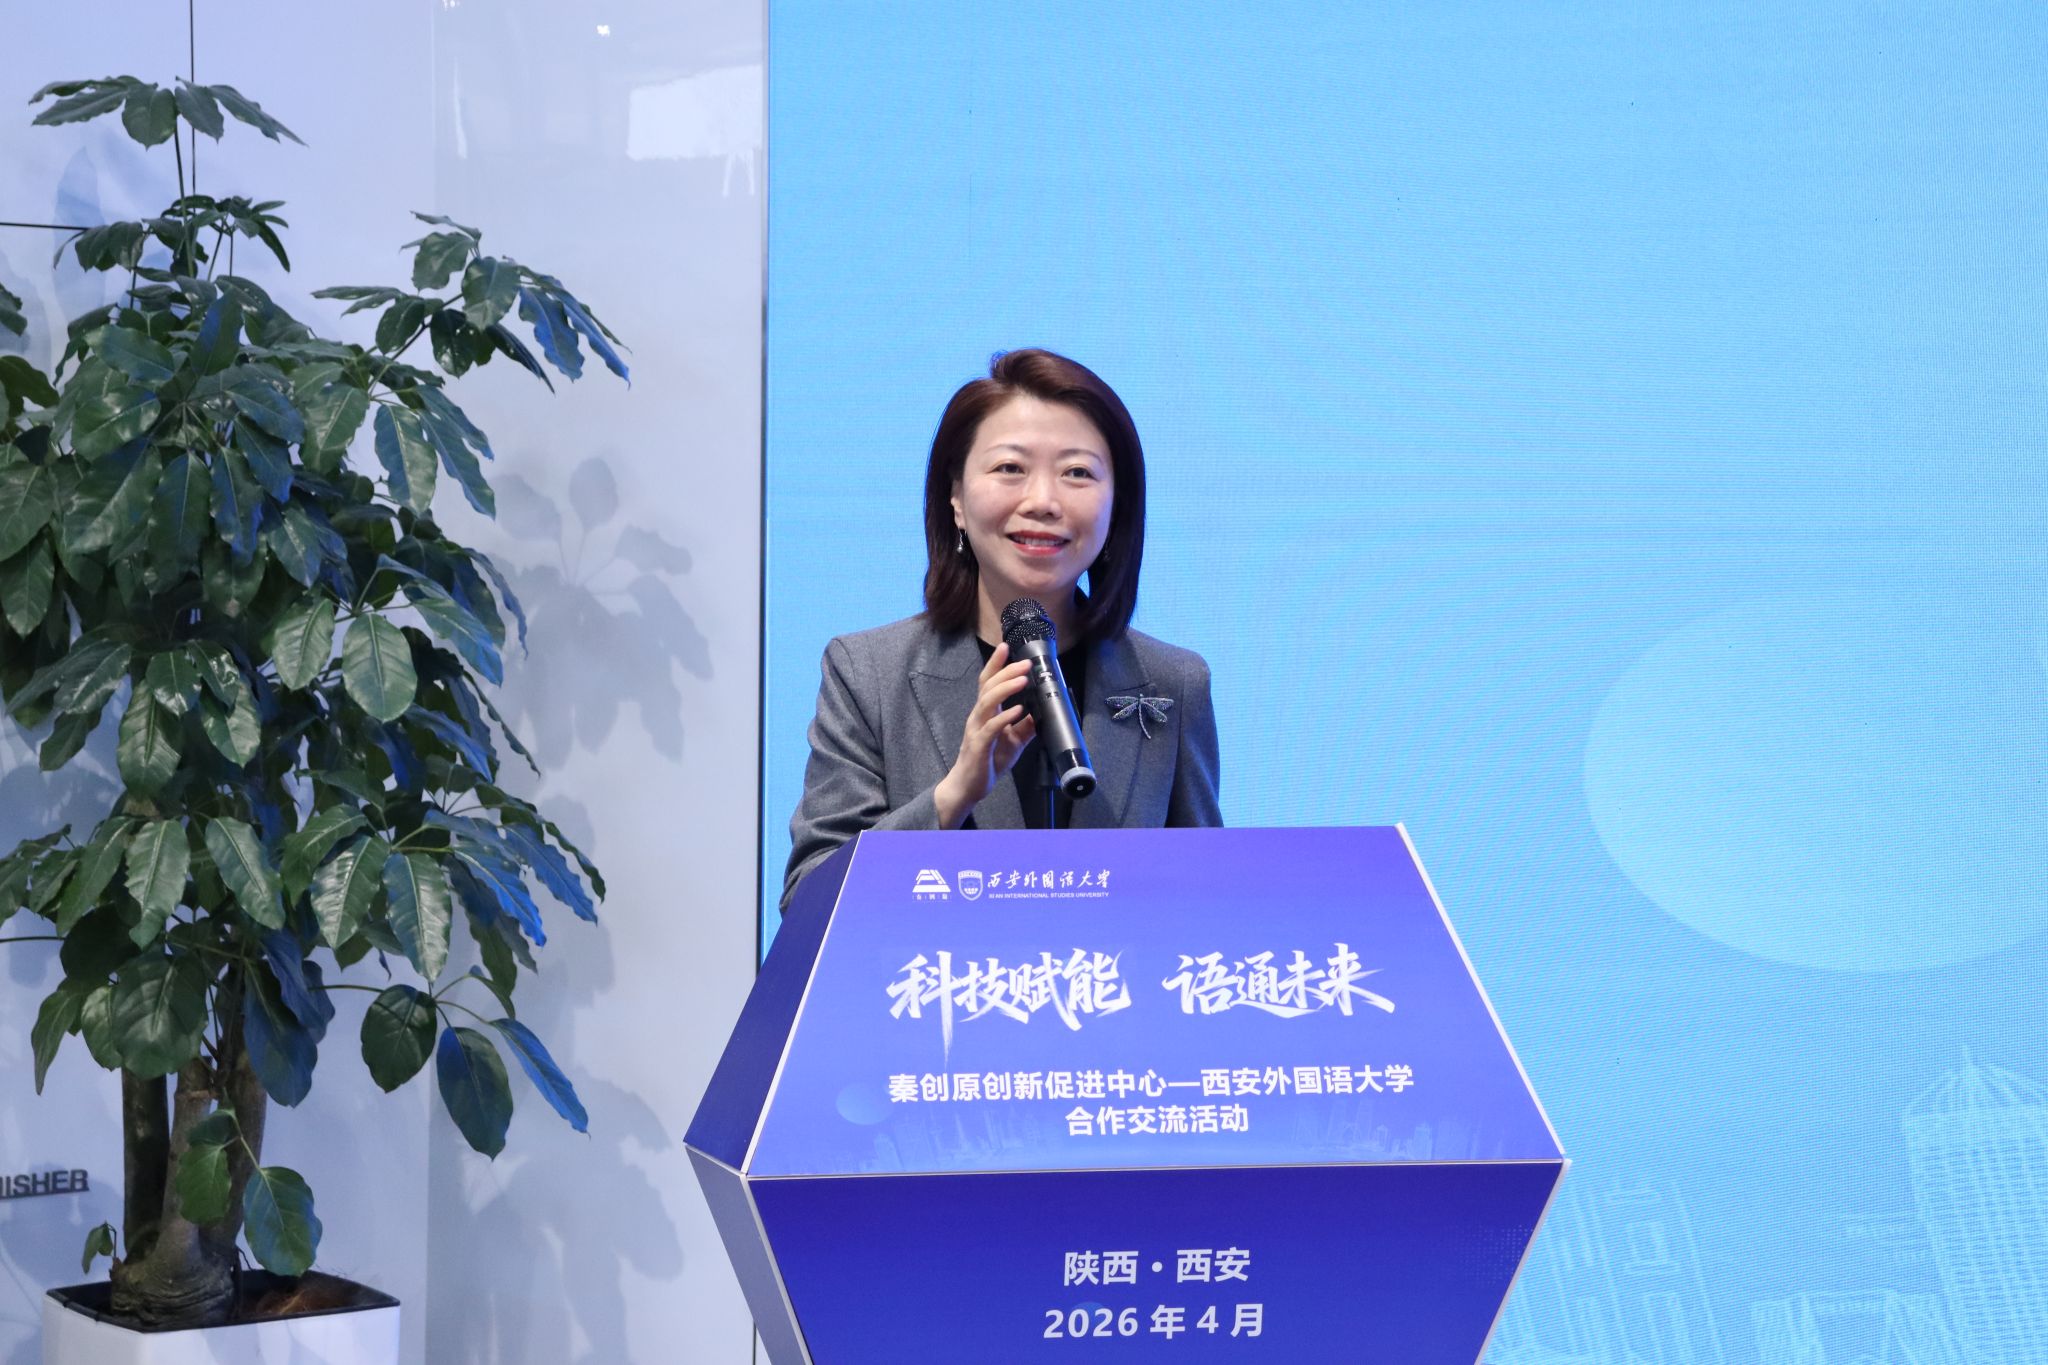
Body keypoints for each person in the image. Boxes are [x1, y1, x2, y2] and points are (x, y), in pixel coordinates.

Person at [782, 348, 1221, 906]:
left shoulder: (1173, 682)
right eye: (1010, 468)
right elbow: (809, 900)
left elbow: (1211, 896)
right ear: (956, 498)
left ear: (1117, 507)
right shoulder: (868, 673)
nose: (1043, 501)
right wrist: (952, 796)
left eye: (1077, 473)